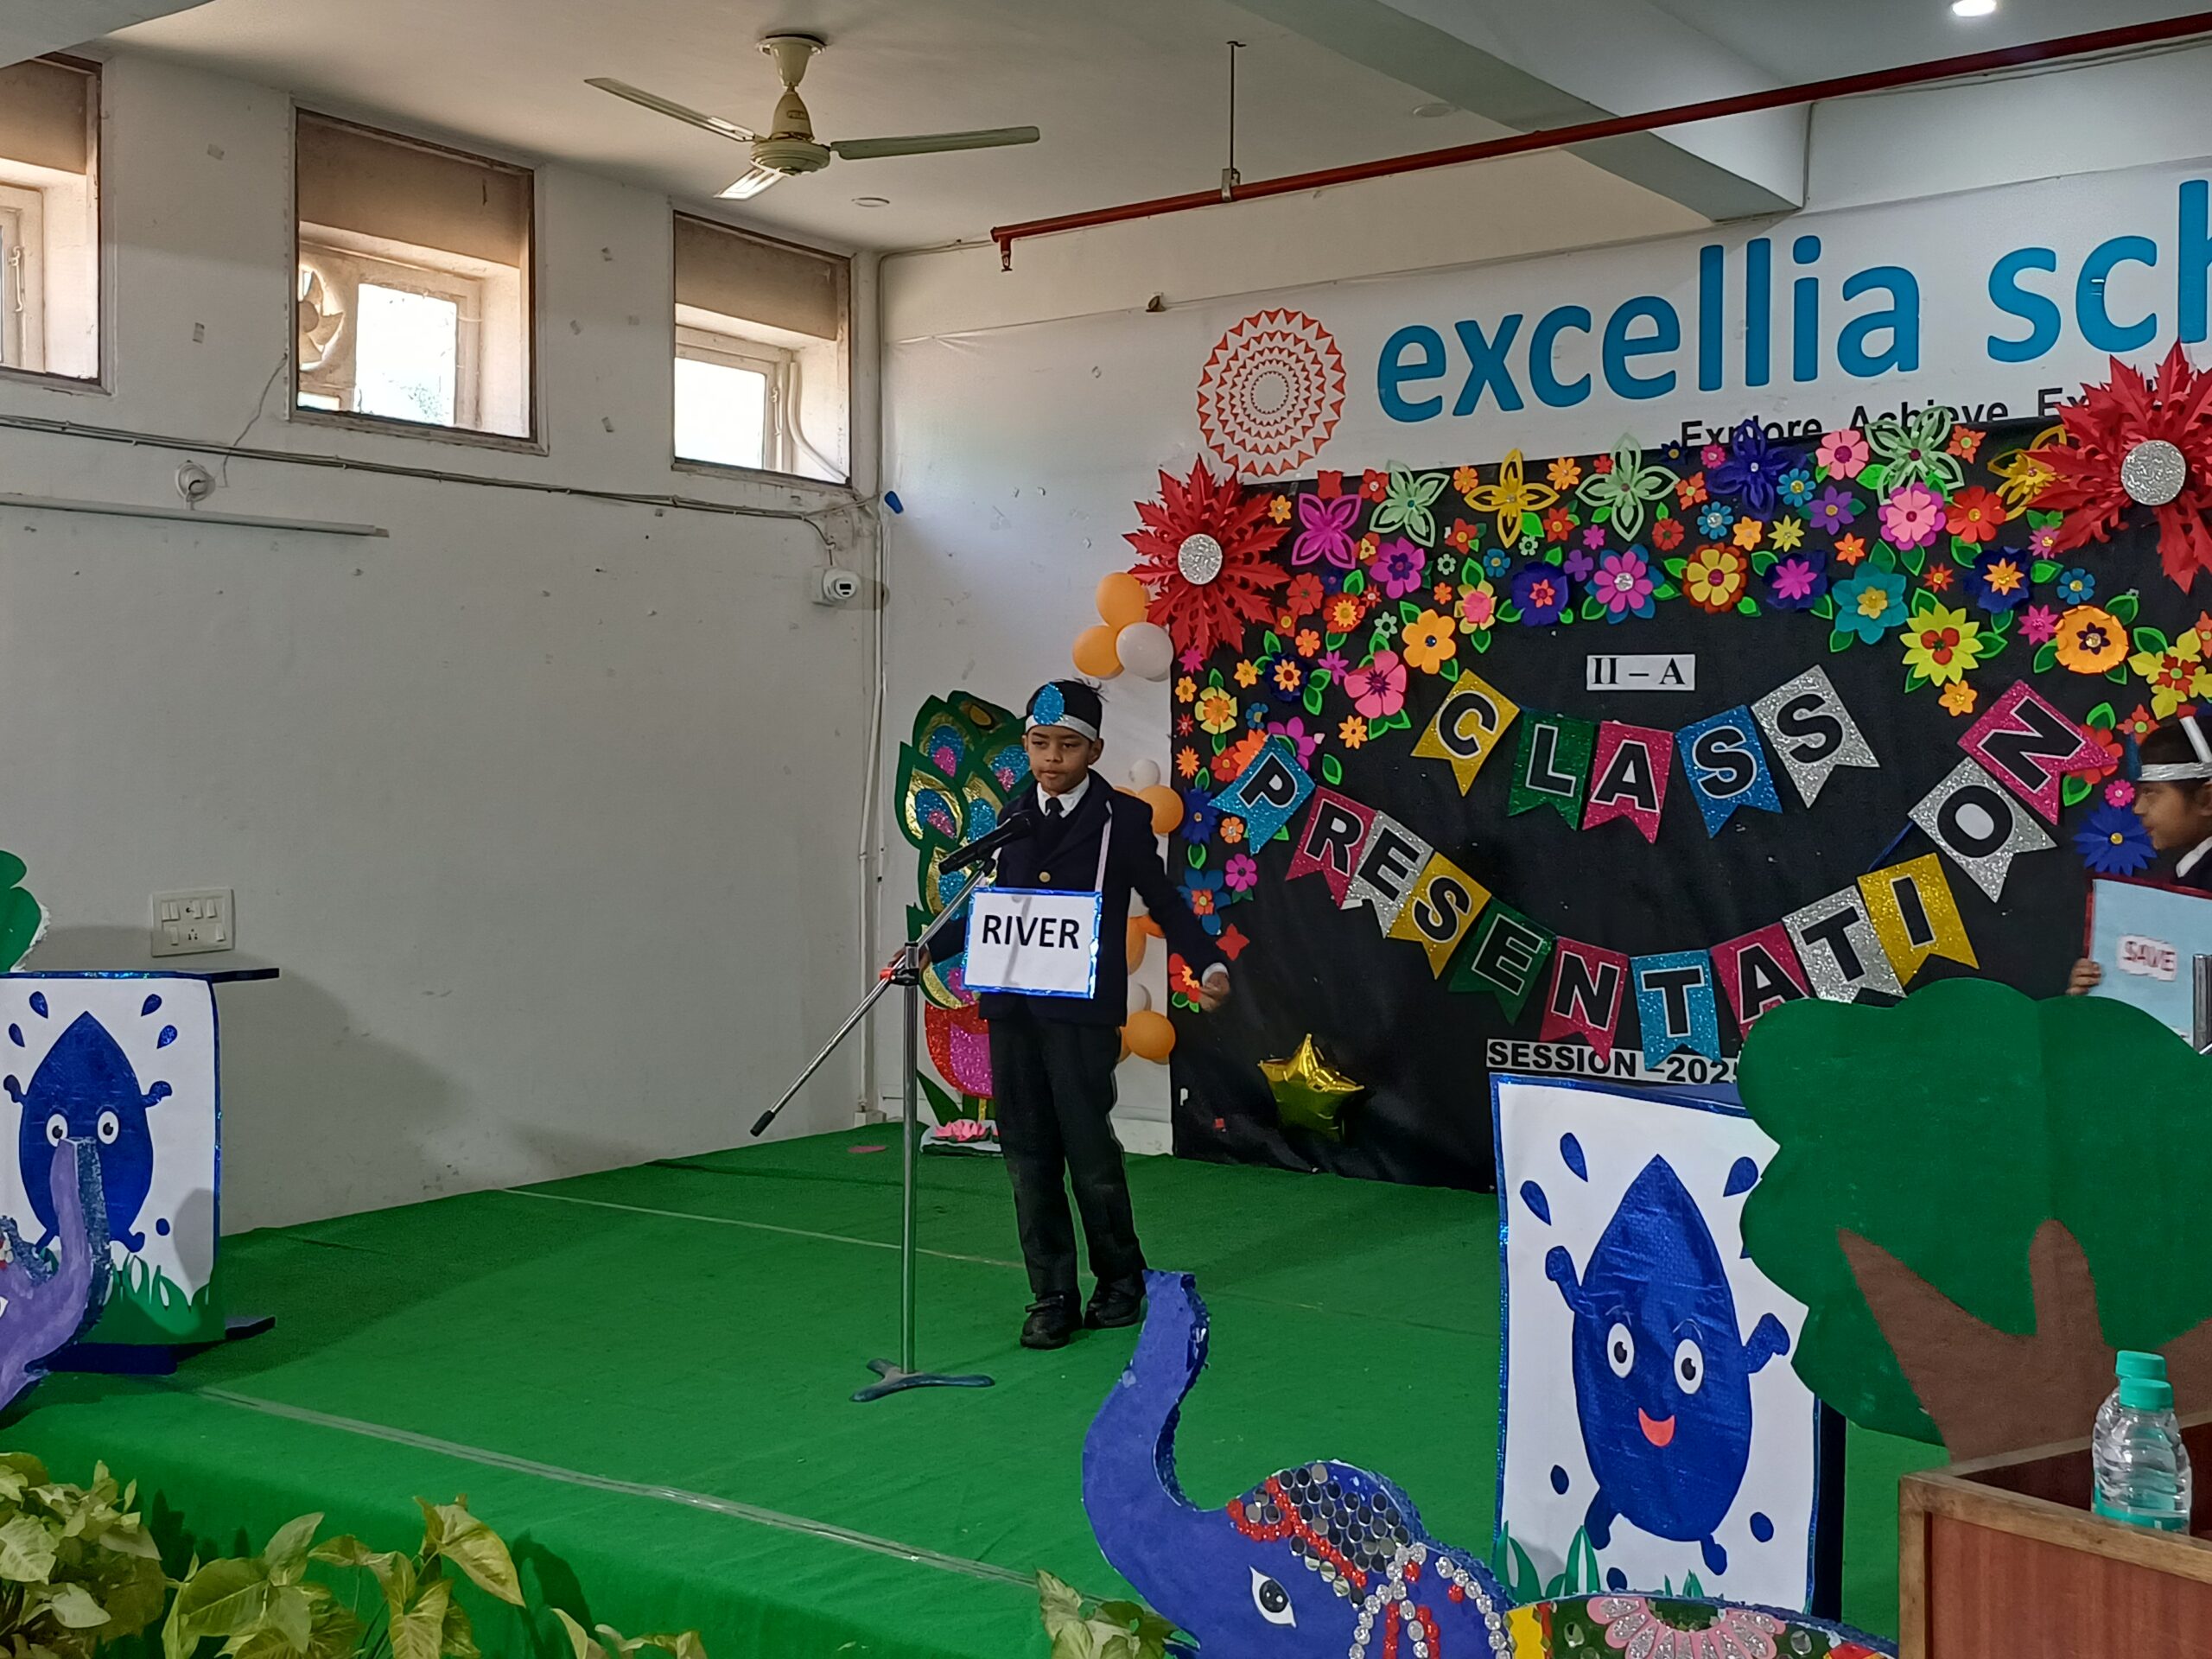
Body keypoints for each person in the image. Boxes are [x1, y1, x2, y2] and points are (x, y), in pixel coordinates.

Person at [929, 679, 1231, 1349]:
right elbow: (990, 911)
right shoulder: (1011, 817)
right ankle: (1051, 1295)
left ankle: (1120, 1279)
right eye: (1039, 744)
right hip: (1013, 1010)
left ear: (1094, 749)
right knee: (1026, 1156)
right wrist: (926, 948)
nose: (1052, 758)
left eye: (1067, 745)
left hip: (1080, 1012)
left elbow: (1163, 898)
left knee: (1089, 1152)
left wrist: (1205, 961)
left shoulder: (1122, 819)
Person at [2069, 715, 2212, 994]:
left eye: (2151, 793)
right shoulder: (2186, 879)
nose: (2138, 808)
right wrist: (2101, 984)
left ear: (2207, 799)